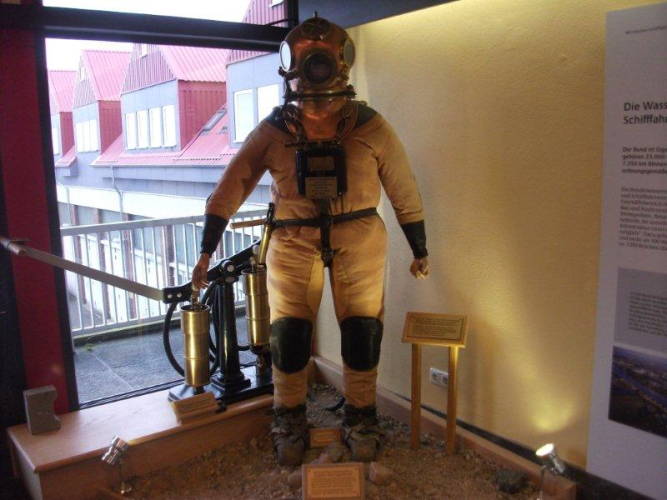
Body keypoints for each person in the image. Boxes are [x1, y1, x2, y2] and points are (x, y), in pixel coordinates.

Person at [192, 15, 429, 466]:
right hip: (294, 238)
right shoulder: (278, 130)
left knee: (362, 329)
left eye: (323, 60)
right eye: (310, 60)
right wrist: (207, 247)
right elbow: (231, 186)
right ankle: (289, 416)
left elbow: (403, 187)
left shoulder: (367, 126)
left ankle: (361, 416)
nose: (317, 69)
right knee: (289, 333)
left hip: (355, 236)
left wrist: (420, 246)